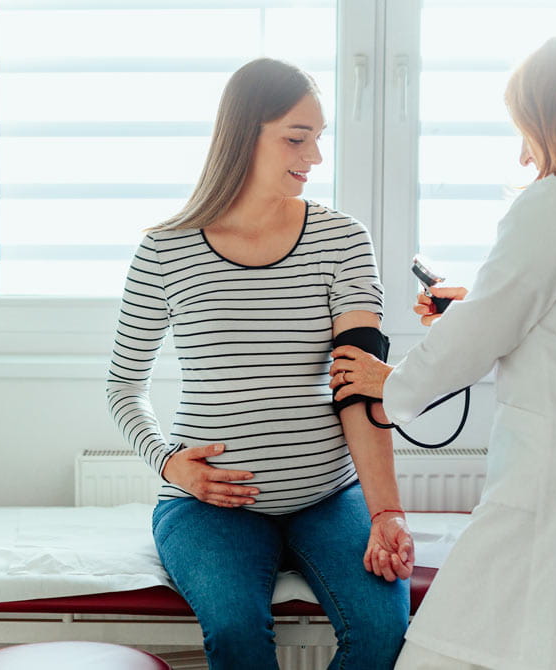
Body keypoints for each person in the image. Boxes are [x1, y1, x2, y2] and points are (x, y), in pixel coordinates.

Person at [330, 34, 556, 670]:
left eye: (527, 132)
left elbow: (482, 336)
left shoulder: (554, 205)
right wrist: (478, 305)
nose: (524, 157)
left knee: (453, 647)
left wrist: (390, 382)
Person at [106, 58, 413, 670]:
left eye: (318, 138)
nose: (315, 157)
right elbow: (123, 385)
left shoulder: (343, 241)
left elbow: (359, 388)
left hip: (327, 494)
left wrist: (386, 511)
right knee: (237, 633)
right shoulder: (164, 249)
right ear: (242, 134)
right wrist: (170, 464)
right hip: (209, 503)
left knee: (383, 628)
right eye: (296, 139)